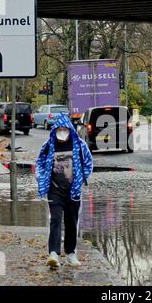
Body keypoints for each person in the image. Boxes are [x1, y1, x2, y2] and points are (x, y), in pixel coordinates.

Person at [36, 113, 93, 268]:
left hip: (73, 191)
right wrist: (41, 178)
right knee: (55, 219)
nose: (62, 132)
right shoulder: (48, 145)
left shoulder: (80, 145)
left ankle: (71, 252)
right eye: (59, 129)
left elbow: (88, 163)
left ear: (70, 129)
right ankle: (53, 253)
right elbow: (39, 163)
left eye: (65, 129)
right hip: (54, 189)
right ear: (55, 130)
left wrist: (81, 178)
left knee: (71, 221)